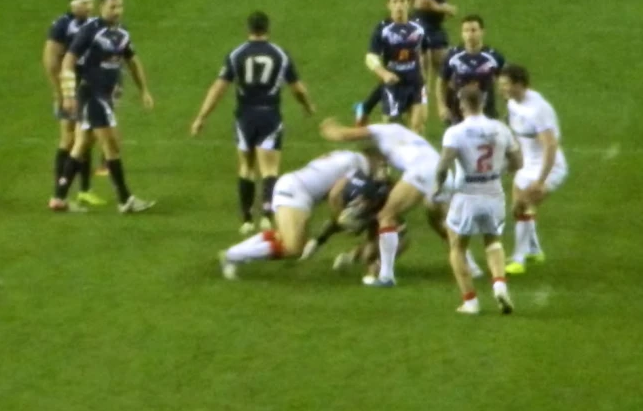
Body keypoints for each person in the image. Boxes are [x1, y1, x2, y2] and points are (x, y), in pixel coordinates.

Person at [188, 10, 316, 233]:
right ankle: (267, 213)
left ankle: (246, 219)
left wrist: (201, 117)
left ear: (248, 29)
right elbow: (297, 88)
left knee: (246, 167)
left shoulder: (236, 54)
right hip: (270, 115)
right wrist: (307, 106)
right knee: (269, 168)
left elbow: (218, 88)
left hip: (245, 116)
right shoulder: (280, 55)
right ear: (268, 28)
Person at [318, 115, 444, 288]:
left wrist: (328, 126)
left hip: (421, 170)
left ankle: (386, 276)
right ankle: (471, 266)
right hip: (441, 169)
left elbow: (343, 135)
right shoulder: (405, 134)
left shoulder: (379, 131)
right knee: (442, 221)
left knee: (386, 216)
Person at [63, 0, 157, 214]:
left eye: (120, 6)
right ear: (101, 8)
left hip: (104, 96)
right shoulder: (91, 31)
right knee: (111, 146)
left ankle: (59, 197)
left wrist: (144, 90)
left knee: (82, 145)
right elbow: (68, 61)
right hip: (92, 95)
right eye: (112, 7)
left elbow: (133, 61)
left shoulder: (122, 33)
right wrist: (67, 94)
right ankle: (125, 200)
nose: (117, 11)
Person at [434, 81, 520, 315]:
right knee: (493, 241)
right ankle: (500, 284)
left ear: (461, 105)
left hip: (467, 193)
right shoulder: (501, 129)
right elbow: (517, 162)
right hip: (493, 191)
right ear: (482, 102)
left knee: (457, 246)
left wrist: (437, 186)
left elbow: (444, 164)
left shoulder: (455, 132)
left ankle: (470, 301)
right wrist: (499, 171)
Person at [217, 145, 368, 277]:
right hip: (296, 192)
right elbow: (335, 195)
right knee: (293, 247)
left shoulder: (346, 155)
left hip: (294, 185)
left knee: (284, 238)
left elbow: (322, 161)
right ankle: (232, 256)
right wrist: (342, 218)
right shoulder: (360, 169)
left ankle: (233, 254)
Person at [501, 63, 565, 276]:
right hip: (528, 164)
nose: (502, 88)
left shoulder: (538, 109)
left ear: (519, 84)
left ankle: (518, 258)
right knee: (518, 206)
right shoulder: (512, 102)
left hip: (549, 166)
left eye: (506, 84)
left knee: (522, 206)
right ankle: (534, 250)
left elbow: (551, 145)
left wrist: (541, 181)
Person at [43, 0, 100, 212]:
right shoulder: (62, 25)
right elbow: (50, 61)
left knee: (86, 137)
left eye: (90, 1)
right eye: (83, 2)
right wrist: (60, 92)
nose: (88, 6)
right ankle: (60, 195)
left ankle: (84, 191)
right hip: (70, 89)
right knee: (69, 140)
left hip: (88, 88)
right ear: (72, 4)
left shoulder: (94, 23)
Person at [358, 0, 429, 133]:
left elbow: (424, 51)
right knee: (393, 129)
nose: (399, 6)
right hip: (394, 85)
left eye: (402, 1)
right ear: (389, 5)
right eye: (395, 2)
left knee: (418, 126)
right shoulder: (383, 29)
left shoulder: (419, 26)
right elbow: (371, 57)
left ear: (408, 3)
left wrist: (425, 76)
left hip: (415, 83)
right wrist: (384, 74)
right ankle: (364, 108)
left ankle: (413, 155)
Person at [441, 14, 504, 119]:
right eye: (466, 31)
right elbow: (441, 81)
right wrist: (442, 106)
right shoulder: (453, 56)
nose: (470, 34)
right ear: (461, 33)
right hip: (458, 111)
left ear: (482, 32)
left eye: (473, 30)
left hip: (487, 111)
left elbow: (505, 81)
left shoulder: (494, 56)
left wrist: (506, 104)